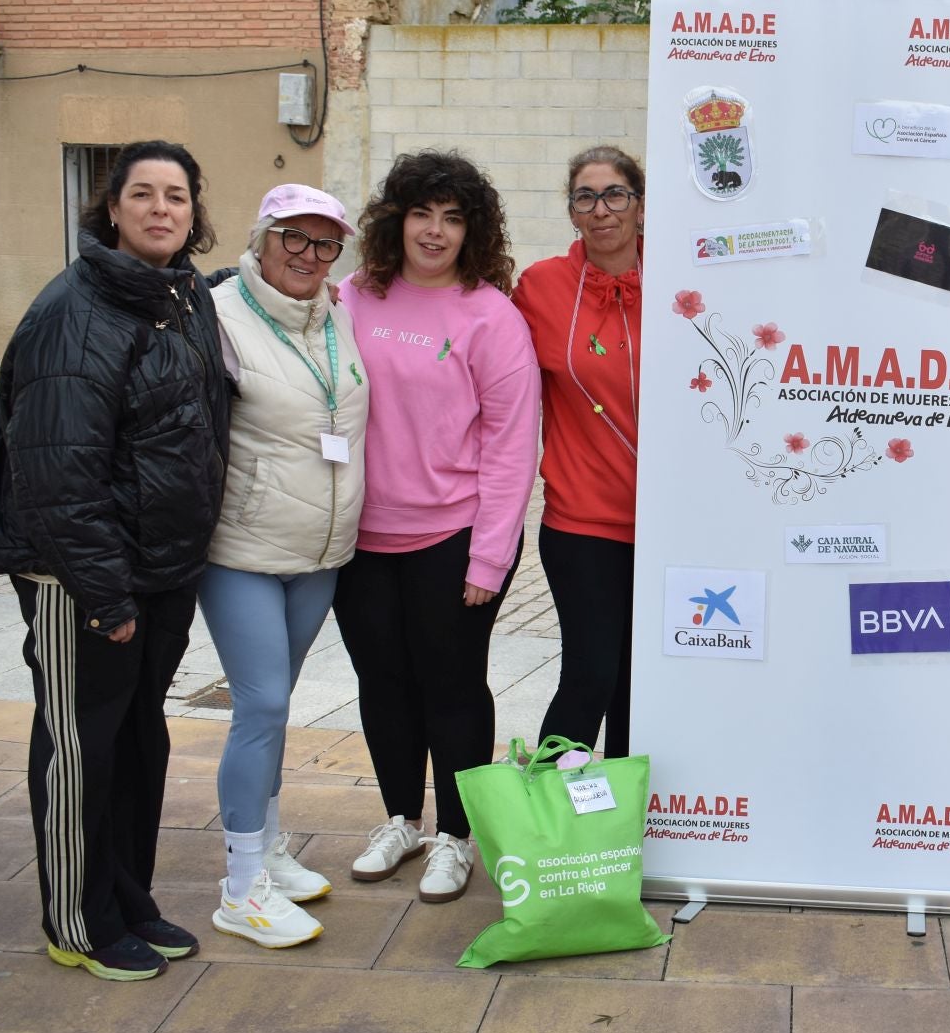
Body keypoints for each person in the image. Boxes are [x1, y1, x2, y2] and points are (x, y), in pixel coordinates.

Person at [0, 141, 230, 981]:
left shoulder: (179, 298)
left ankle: (128, 898)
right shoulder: (77, 311)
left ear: (193, 213)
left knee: (139, 740)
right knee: (83, 745)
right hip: (84, 579)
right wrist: (106, 596)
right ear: (110, 209)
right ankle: (77, 921)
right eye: (141, 194)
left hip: (158, 572)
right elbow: (57, 473)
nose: (159, 209)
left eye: (175, 196)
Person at [333, 151, 539, 904]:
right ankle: (400, 819)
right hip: (358, 535)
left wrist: (490, 557)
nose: (435, 230)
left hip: (452, 536)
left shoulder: (491, 316)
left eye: (453, 218)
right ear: (397, 220)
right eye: (423, 213)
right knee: (381, 681)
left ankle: (456, 833)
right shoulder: (354, 297)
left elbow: (512, 446)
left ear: (472, 232)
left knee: (451, 686)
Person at [198, 184, 369, 949]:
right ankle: (240, 889)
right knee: (260, 707)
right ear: (262, 240)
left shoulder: (334, 314)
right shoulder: (221, 315)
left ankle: (266, 848)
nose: (307, 256)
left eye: (324, 243)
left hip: (321, 551)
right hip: (241, 549)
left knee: (277, 707)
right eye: (292, 240)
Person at [511, 145, 644, 757]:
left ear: (640, 207)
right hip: (582, 524)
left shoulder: (686, 284)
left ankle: (622, 828)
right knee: (590, 676)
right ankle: (549, 818)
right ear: (571, 212)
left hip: (672, 531)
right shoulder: (541, 287)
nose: (602, 210)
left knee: (641, 685)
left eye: (615, 194)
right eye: (585, 197)